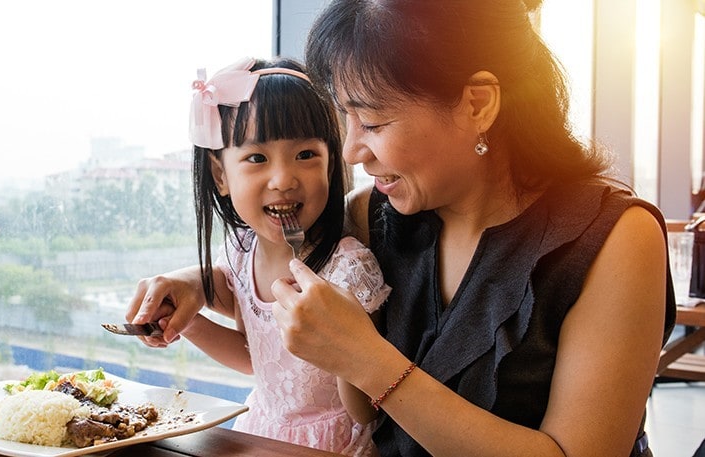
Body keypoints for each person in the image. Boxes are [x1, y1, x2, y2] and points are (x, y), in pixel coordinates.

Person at [128, 1, 678, 456]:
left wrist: (368, 361)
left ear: (477, 104)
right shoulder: (372, 214)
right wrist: (195, 282)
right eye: (344, 119)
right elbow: (271, 276)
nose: (353, 149)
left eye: (372, 120)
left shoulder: (613, 240)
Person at [129, 57, 391, 456]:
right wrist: (187, 323)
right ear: (220, 175)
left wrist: (346, 347)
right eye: (257, 158)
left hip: (330, 447)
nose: (284, 179)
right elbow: (253, 361)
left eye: (306, 155)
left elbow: (364, 412)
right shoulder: (241, 251)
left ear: (332, 162)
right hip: (261, 432)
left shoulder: (349, 267)